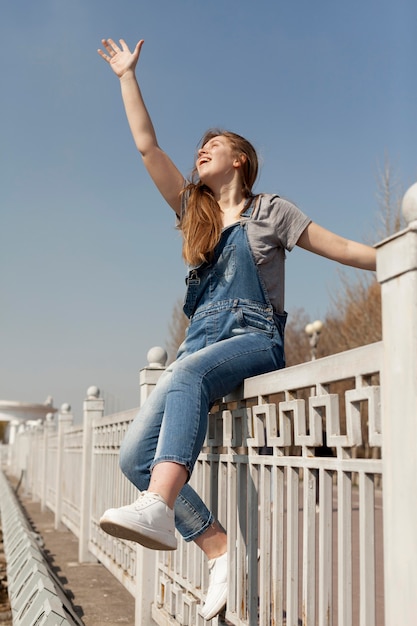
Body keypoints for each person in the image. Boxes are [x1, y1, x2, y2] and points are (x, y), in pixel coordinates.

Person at [97, 37, 376, 620]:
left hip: (253, 339)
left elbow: (343, 247)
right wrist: (127, 76)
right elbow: (148, 148)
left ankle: (159, 506)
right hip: (199, 343)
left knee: (189, 376)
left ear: (240, 159)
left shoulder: (272, 211)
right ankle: (218, 546)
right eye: (199, 146)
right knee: (131, 458)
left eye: (213, 146)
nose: (200, 151)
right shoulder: (192, 210)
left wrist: (397, 255)